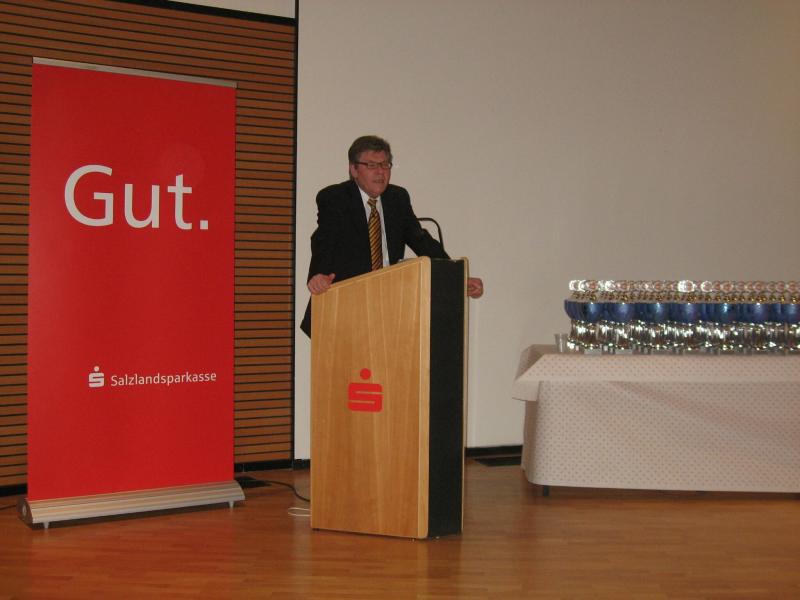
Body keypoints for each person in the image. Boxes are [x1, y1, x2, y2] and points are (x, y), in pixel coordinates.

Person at [300, 135, 483, 336]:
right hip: (343, 311)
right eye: (371, 165)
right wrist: (318, 275)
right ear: (354, 169)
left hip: (389, 306)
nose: (380, 171)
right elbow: (323, 239)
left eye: (385, 164)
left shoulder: (397, 198)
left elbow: (421, 241)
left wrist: (456, 277)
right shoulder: (335, 198)